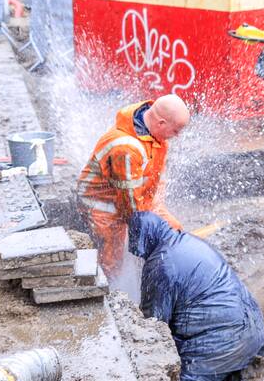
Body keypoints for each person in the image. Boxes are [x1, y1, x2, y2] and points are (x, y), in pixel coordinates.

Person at [128, 211, 264, 381]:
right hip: (253, 330)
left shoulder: (160, 264)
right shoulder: (190, 241)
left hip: (225, 339)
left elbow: (154, 329)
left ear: (144, 240)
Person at [77, 95, 190, 278]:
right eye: (176, 130)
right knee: (112, 259)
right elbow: (129, 203)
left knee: (174, 230)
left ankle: (157, 273)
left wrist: (153, 216)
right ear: (161, 123)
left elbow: (153, 178)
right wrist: (142, 232)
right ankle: (111, 289)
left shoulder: (153, 131)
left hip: (137, 198)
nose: (177, 136)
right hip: (103, 205)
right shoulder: (126, 148)